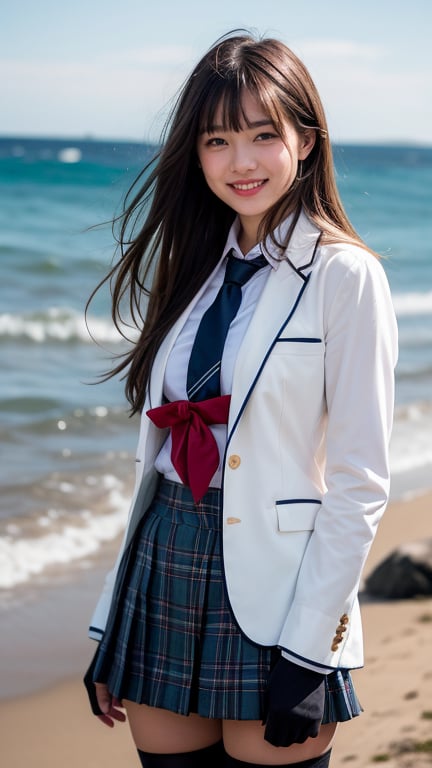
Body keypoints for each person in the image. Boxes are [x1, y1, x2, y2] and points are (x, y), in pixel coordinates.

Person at [83, 30, 398, 768]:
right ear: (195, 154)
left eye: (263, 135)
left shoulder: (346, 277)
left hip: (281, 589)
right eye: (217, 140)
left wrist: (314, 645)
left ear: (307, 141)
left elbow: (360, 481)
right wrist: (107, 622)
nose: (241, 162)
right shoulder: (192, 266)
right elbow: (152, 466)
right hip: (165, 556)